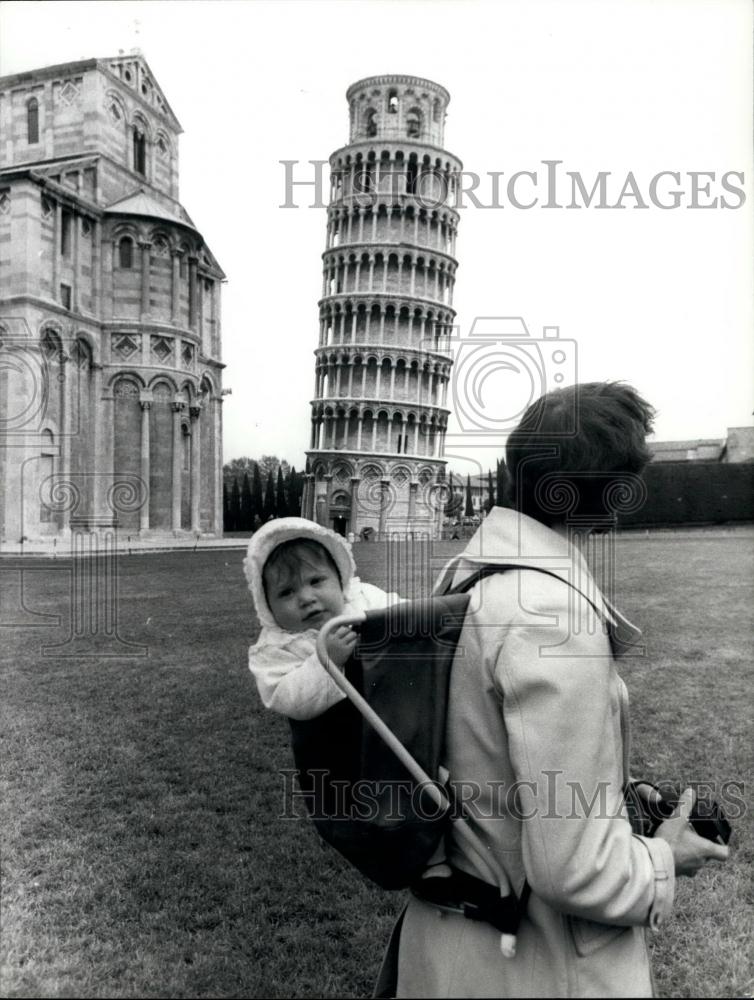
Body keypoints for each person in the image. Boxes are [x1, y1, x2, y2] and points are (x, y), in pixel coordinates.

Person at [383, 382, 729, 998]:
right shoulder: (552, 614)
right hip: (535, 966)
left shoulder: (474, 582)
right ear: (614, 496)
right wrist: (664, 858)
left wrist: (621, 796)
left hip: (455, 950)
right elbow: (573, 868)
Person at [243, 517, 401, 720]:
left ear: (340, 579)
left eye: (316, 581)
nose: (306, 599)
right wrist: (327, 662)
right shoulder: (276, 648)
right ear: (267, 604)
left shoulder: (364, 598)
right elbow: (288, 699)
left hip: (395, 722)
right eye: (286, 592)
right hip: (334, 742)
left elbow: (408, 613)